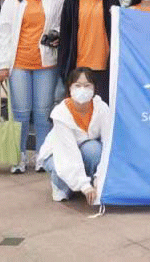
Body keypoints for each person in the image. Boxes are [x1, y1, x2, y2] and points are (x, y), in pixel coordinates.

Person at [0, 0, 65, 174]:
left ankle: (43, 155)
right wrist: (2, 64)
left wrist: (57, 35)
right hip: (19, 63)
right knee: (21, 113)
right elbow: (4, 32)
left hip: (46, 63)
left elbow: (63, 24)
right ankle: (19, 156)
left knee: (43, 113)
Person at [37, 67, 110, 203]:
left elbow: (108, 144)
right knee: (62, 182)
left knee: (94, 149)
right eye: (77, 85)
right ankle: (60, 185)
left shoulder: (102, 109)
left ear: (94, 88)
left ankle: (86, 181)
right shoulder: (61, 113)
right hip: (58, 153)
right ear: (70, 88)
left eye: (87, 85)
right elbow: (68, 152)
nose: (82, 89)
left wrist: (99, 179)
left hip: (84, 149)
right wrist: (84, 186)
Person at [59, 0, 120, 104]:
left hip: (104, 65)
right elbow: (65, 35)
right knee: (80, 108)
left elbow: (119, 30)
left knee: (103, 108)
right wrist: (64, 67)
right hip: (78, 65)